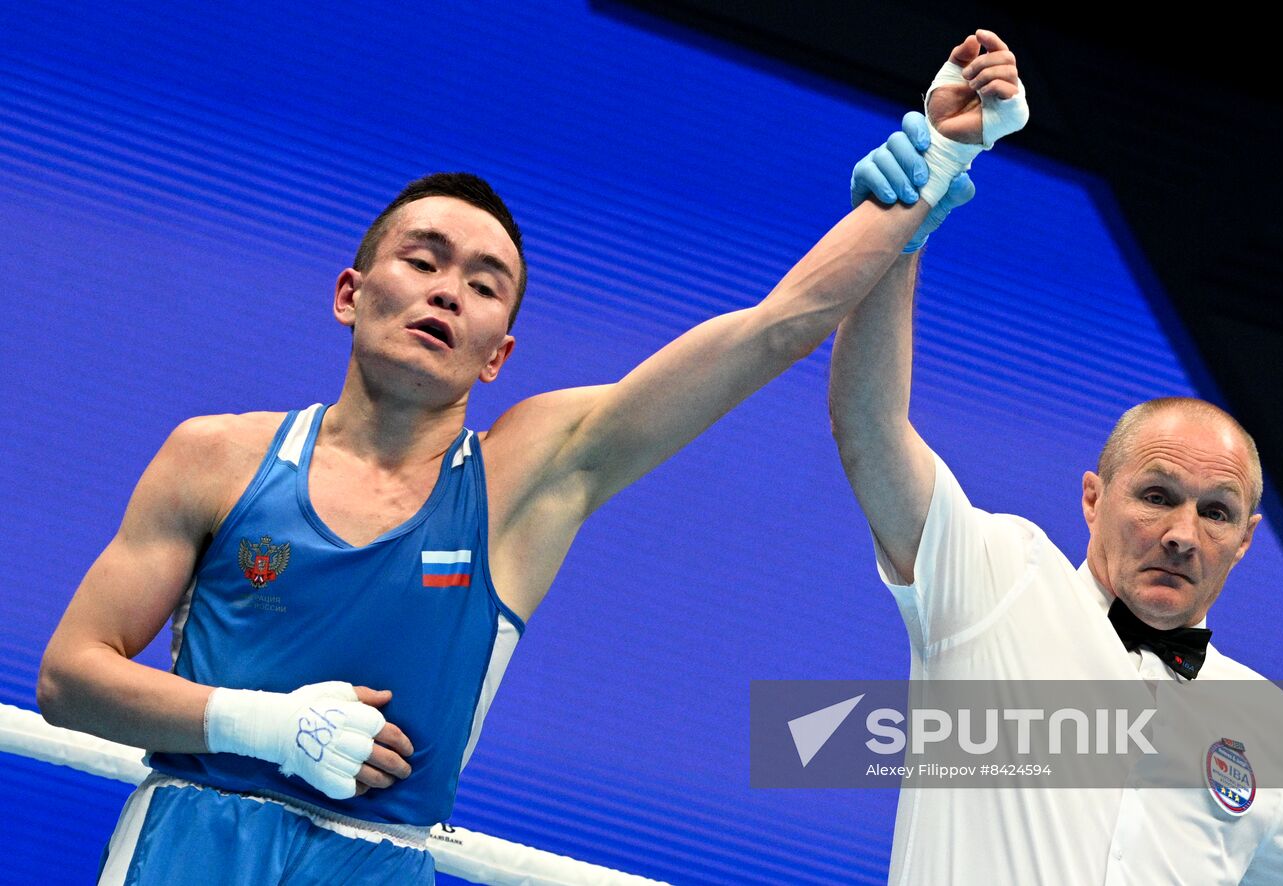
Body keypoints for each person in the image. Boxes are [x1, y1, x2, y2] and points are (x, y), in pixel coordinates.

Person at [35, 31, 1027, 884]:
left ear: (499, 352)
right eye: (420, 259)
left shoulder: (527, 478)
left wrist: (934, 158)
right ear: (350, 291)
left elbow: (775, 330)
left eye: (482, 283)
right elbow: (70, 677)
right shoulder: (215, 455)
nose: (445, 290)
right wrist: (260, 724)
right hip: (183, 848)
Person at [834, 51, 1283, 886]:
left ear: (1245, 542)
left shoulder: (1269, 730)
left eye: (1215, 512)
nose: (1180, 534)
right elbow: (870, 427)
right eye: (1158, 495)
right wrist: (898, 235)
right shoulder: (997, 580)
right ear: (1093, 499)